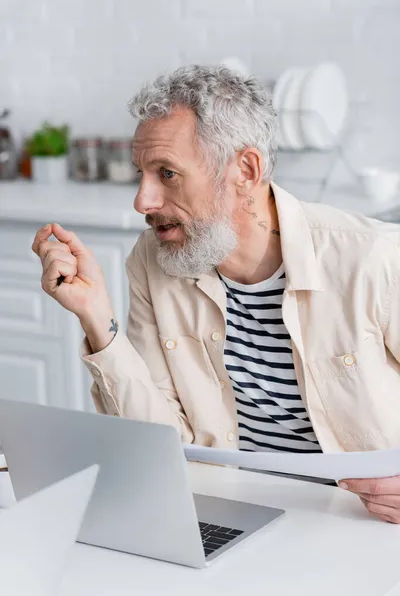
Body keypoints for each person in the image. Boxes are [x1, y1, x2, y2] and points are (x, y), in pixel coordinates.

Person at [33, 65, 400, 523]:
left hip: (363, 525)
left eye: (167, 173)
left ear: (245, 170)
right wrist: (95, 317)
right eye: (141, 174)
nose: (142, 201)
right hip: (229, 514)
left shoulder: (374, 258)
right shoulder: (154, 260)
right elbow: (158, 447)